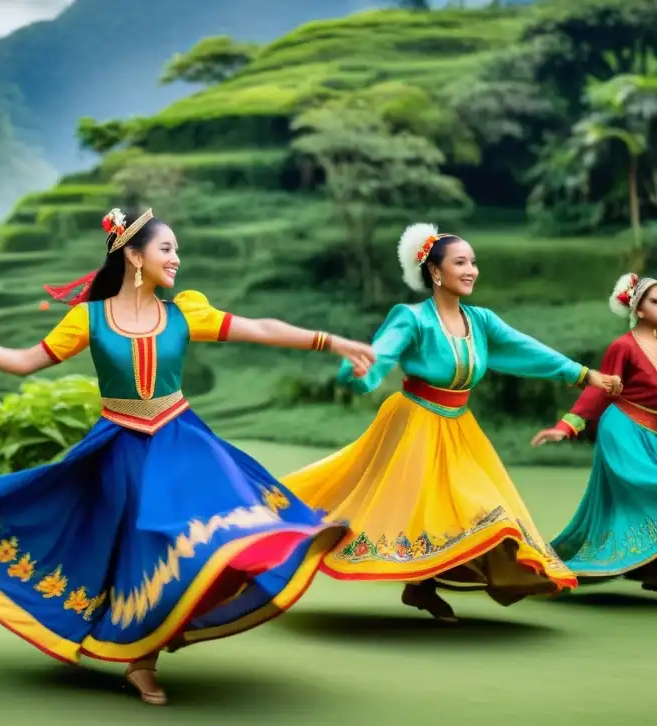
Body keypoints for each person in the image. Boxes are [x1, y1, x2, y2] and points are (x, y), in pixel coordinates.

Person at [0, 207, 375, 705]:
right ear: (133, 255)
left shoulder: (184, 313)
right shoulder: (88, 318)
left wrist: (335, 343)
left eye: (175, 250)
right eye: (166, 249)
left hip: (180, 439)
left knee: (216, 526)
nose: (176, 258)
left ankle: (279, 549)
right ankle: (140, 662)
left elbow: (261, 327)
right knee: (134, 548)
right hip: (119, 446)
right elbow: (24, 362)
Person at [279, 222, 623, 621]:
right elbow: (382, 354)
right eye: (461, 262)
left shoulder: (481, 321)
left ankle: (426, 585)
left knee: (480, 506)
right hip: (415, 424)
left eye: (474, 262)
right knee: (405, 505)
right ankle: (416, 584)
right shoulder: (412, 319)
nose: (472, 270)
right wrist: (361, 371)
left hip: (460, 427)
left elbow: (529, 350)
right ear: (436, 272)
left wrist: (583, 375)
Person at [531, 273, 657, 591]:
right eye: (656, 302)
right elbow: (601, 390)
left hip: (653, 434)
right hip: (624, 430)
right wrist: (566, 426)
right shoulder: (624, 347)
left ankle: (648, 567)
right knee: (647, 486)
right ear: (638, 309)